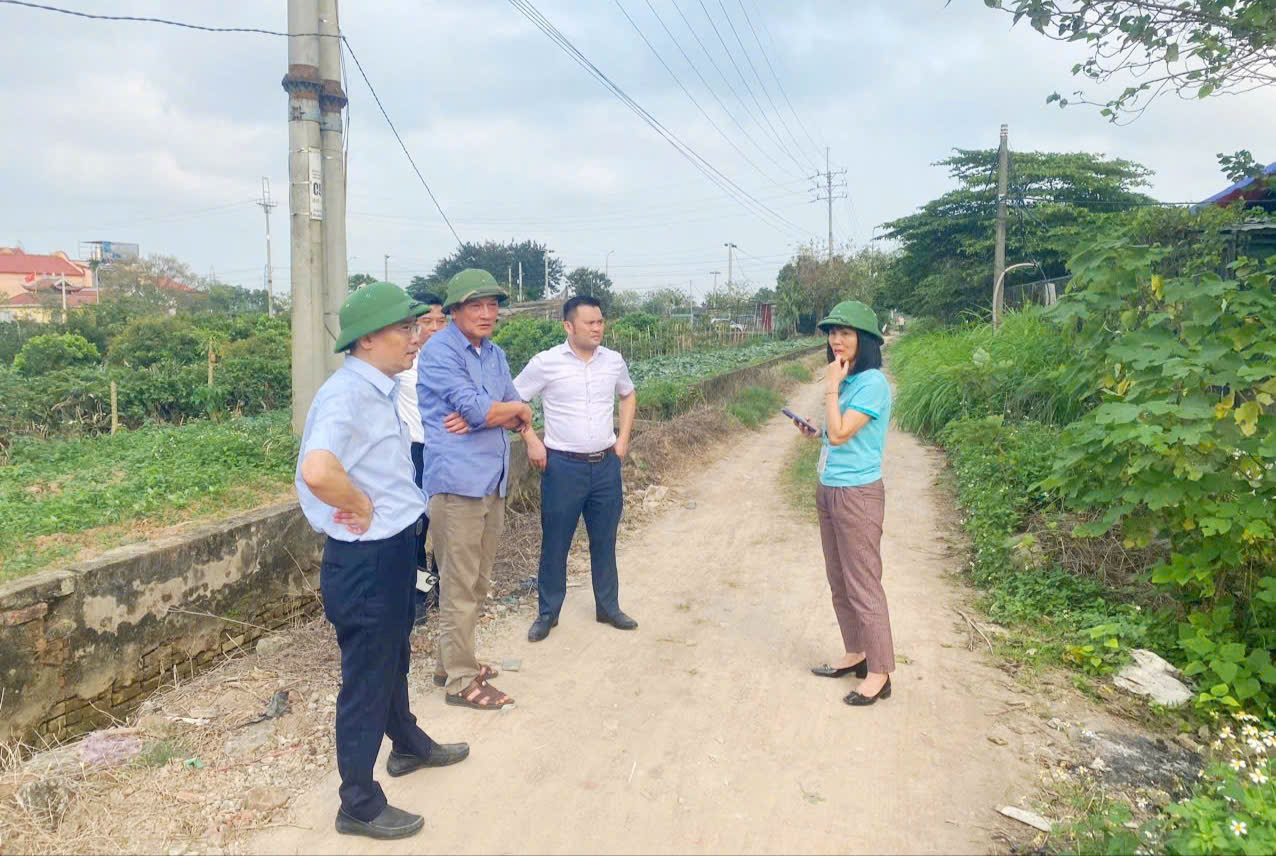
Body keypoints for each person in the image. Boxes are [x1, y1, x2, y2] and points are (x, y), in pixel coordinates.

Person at [295, 281, 469, 840]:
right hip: (365, 561)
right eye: (405, 329)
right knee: (367, 678)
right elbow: (318, 471)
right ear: (369, 339)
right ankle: (358, 802)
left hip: (392, 549)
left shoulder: (380, 389)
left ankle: (408, 745)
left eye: (417, 327)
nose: (416, 338)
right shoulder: (346, 394)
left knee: (393, 657)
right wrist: (359, 503)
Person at [417, 268, 533, 710]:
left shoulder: (495, 354)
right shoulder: (439, 351)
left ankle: (454, 661)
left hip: (491, 479)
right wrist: (504, 411)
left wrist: (502, 411)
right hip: (458, 485)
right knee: (459, 585)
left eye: (492, 305)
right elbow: (480, 408)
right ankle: (460, 682)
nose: (487, 314)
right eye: (476, 305)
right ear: (454, 311)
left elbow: (518, 410)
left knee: (479, 581)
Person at [514, 295, 639, 643]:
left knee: (605, 539)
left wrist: (623, 439)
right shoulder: (545, 363)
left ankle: (608, 607)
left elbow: (628, 395)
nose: (598, 328)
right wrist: (531, 439)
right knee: (556, 542)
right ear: (569, 326)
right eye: (590, 323)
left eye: (600, 322)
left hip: (605, 466)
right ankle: (548, 613)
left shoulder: (613, 362)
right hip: (562, 467)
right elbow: (514, 400)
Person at [791, 300, 897, 707]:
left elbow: (840, 435)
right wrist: (816, 429)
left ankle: (880, 672)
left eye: (845, 333)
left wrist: (830, 387)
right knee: (839, 580)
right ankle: (856, 652)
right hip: (829, 486)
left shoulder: (870, 383)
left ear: (865, 340)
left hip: (857, 494)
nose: (836, 339)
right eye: (832, 332)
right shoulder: (849, 379)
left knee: (863, 583)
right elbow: (834, 433)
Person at [393, 292, 450, 626]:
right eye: (426, 321)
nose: (434, 328)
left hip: (447, 451)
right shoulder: (402, 363)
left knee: (447, 525)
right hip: (414, 453)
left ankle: (444, 590)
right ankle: (418, 597)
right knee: (415, 528)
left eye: (441, 321)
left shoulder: (454, 361)